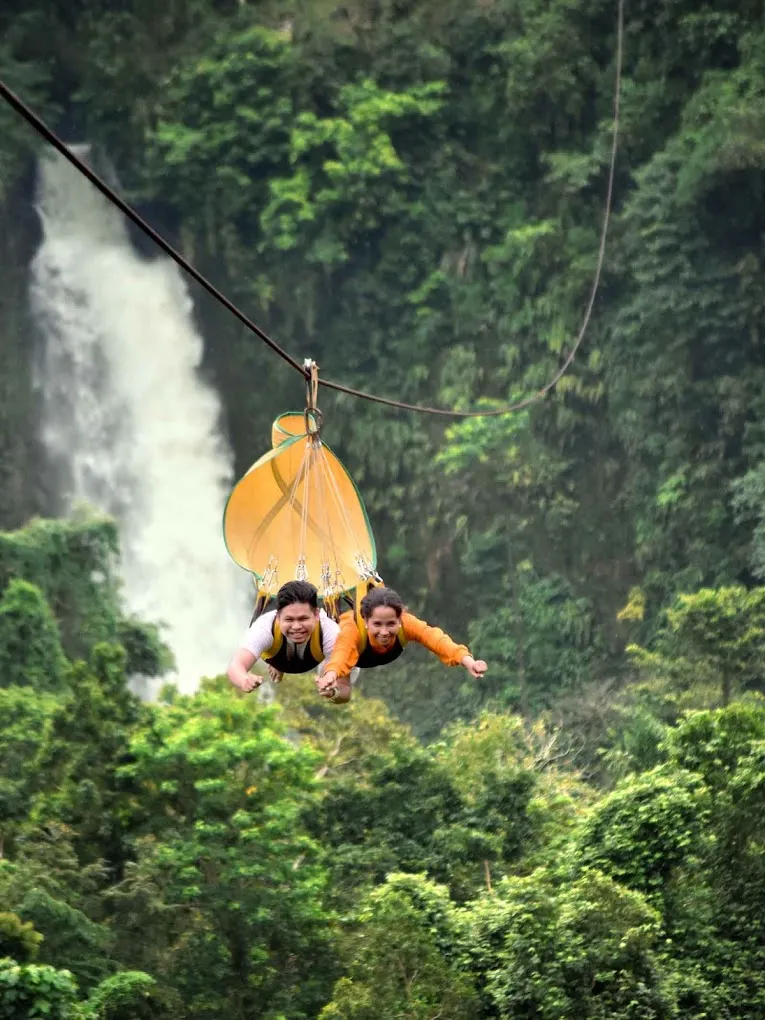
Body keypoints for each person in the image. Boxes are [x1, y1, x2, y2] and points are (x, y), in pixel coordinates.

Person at [318, 585, 487, 702]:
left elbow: (436, 639)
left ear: (399, 619)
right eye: (377, 624)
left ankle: (331, 688)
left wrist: (468, 661)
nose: (384, 632)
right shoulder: (352, 630)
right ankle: (331, 690)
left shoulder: (407, 624)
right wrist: (331, 674)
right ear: (366, 621)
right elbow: (340, 653)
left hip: (360, 656)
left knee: (343, 691)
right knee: (344, 691)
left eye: (391, 624)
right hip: (343, 655)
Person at [227, 580, 339, 694]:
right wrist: (243, 679)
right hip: (275, 655)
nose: (296, 627)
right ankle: (278, 665)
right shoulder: (264, 627)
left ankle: (280, 664)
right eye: (289, 619)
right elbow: (236, 666)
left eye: (303, 619)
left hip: (311, 658)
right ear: (278, 617)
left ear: (316, 615)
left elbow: (341, 683)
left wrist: (331, 686)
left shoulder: (330, 631)